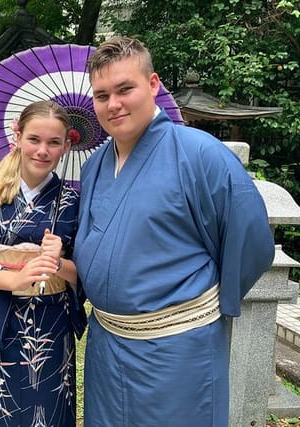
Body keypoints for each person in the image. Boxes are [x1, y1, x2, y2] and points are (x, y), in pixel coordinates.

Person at [74, 36, 275, 426]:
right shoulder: (94, 164)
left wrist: (210, 302)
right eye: (101, 95)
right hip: (107, 345)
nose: (113, 104)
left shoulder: (200, 154)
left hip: (178, 347)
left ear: (152, 85)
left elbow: (251, 243)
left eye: (124, 89)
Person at [0, 100, 87, 426]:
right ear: (18, 136)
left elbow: (90, 270)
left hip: (51, 326)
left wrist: (58, 262)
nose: (43, 150)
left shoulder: (72, 202)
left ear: (67, 145)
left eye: (54, 142)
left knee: (49, 411)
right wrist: (13, 278)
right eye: (34, 139)